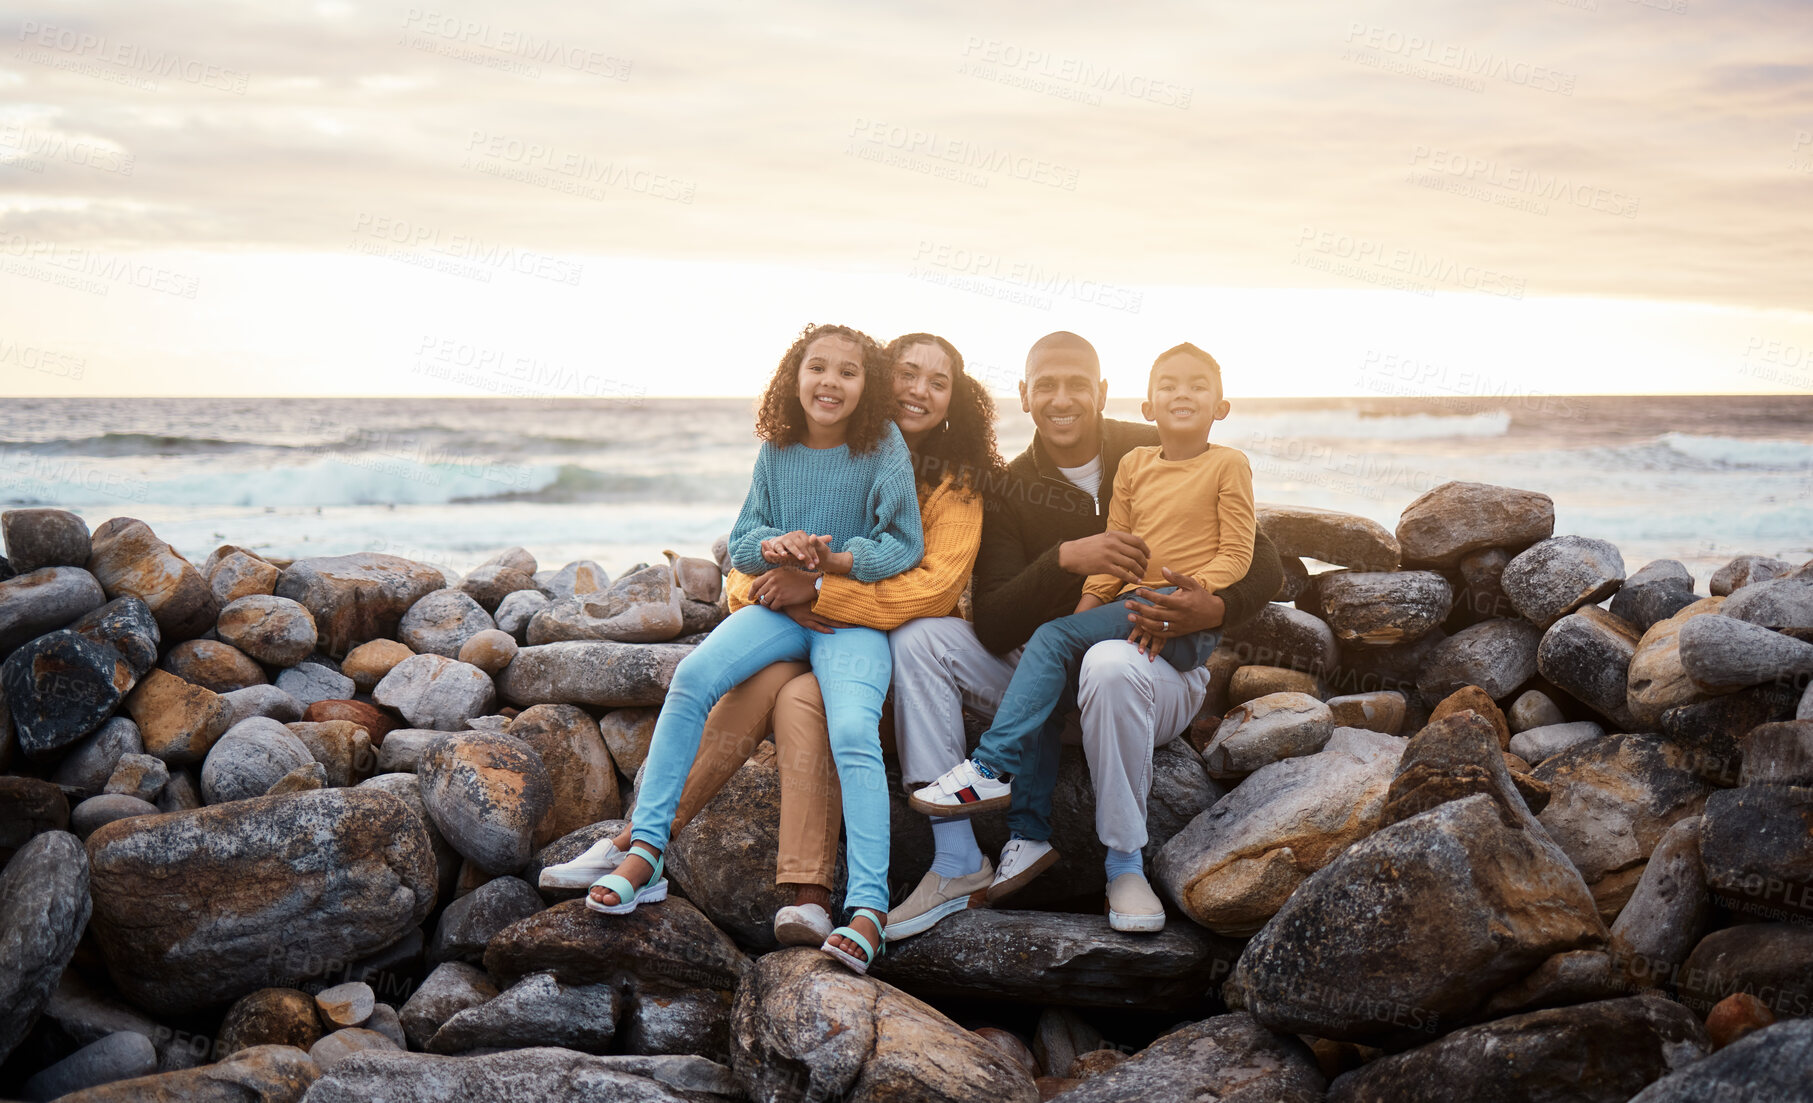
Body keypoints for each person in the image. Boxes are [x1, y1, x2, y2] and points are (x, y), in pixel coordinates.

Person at [543, 330, 998, 970]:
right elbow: (745, 544)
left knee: (814, 709)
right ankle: (643, 847)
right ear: (882, 379)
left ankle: (846, 901)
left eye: (938, 382)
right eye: (907, 373)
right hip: (795, 617)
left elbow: (921, 576)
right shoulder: (785, 446)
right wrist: (773, 567)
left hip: (884, 642)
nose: (918, 390)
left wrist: (821, 580)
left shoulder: (945, 477)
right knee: (701, 674)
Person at [883, 331, 1283, 939]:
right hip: (1043, 689)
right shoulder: (1008, 487)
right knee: (918, 638)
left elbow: (1271, 564)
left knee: (1110, 662)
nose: (1061, 399)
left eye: (1077, 385)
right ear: (1024, 395)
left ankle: (1124, 867)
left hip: (1151, 679)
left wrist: (1213, 609)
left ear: (1102, 392)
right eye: (1046, 385)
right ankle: (956, 860)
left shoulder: (1155, 447)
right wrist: (1065, 558)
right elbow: (992, 623)